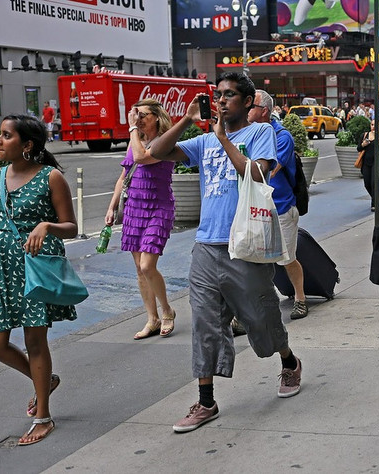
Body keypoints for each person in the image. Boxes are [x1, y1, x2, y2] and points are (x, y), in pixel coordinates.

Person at [149, 72, 303, 433]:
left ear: (248, 102)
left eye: (229, 95)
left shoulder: (260, 133)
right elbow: (155, 152)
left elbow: (257, 175)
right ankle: (206, 401)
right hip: (207, 244)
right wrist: (187, 119)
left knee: (261, 316)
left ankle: (289, 360)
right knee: (204, 322)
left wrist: (223, 138)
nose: (220, 101)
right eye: (217, 95)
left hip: (245, 242)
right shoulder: (203, 141)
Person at [0, 114, 78, 445]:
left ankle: (43, 417)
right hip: (0, 269)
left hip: (34, 269)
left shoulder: (51, 177)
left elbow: (71, 227)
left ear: (27, 145)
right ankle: (44, 381)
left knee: (35, 342)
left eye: (6, 135)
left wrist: (46, 226)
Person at [104, 99, 176, 340]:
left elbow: (140, 157)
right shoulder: (135, 140)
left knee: (147, 265)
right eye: (136, 114)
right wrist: (112, 207)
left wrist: (132, 128)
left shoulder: (164, 142)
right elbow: (123, 176)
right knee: (138, 267)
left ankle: (167, 311)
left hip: (158, 207)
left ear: (157, 117)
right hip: (134, 208)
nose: (138, 119)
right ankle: (152, 319)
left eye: (143, 115)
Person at [249, 89, 309, 320]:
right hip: (257, 208)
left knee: (286, 258)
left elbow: (270, 171)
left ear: (264, 111)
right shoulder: (249, 132)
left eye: (251, 106)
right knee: (254, 259)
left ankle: (300, 299)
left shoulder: (282, 137)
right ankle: (255, 307)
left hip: (281, 207)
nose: (247, 110)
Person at [357, 119, 379, 210]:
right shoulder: (365, 135)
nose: (373, 127)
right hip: (366, 163)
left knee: (374, 183)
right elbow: (358, 148)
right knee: (367, 184)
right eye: (372, 125)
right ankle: (374, 197)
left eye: (375, 125)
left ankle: (374, 203)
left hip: (376, 163)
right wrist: (363, 144)